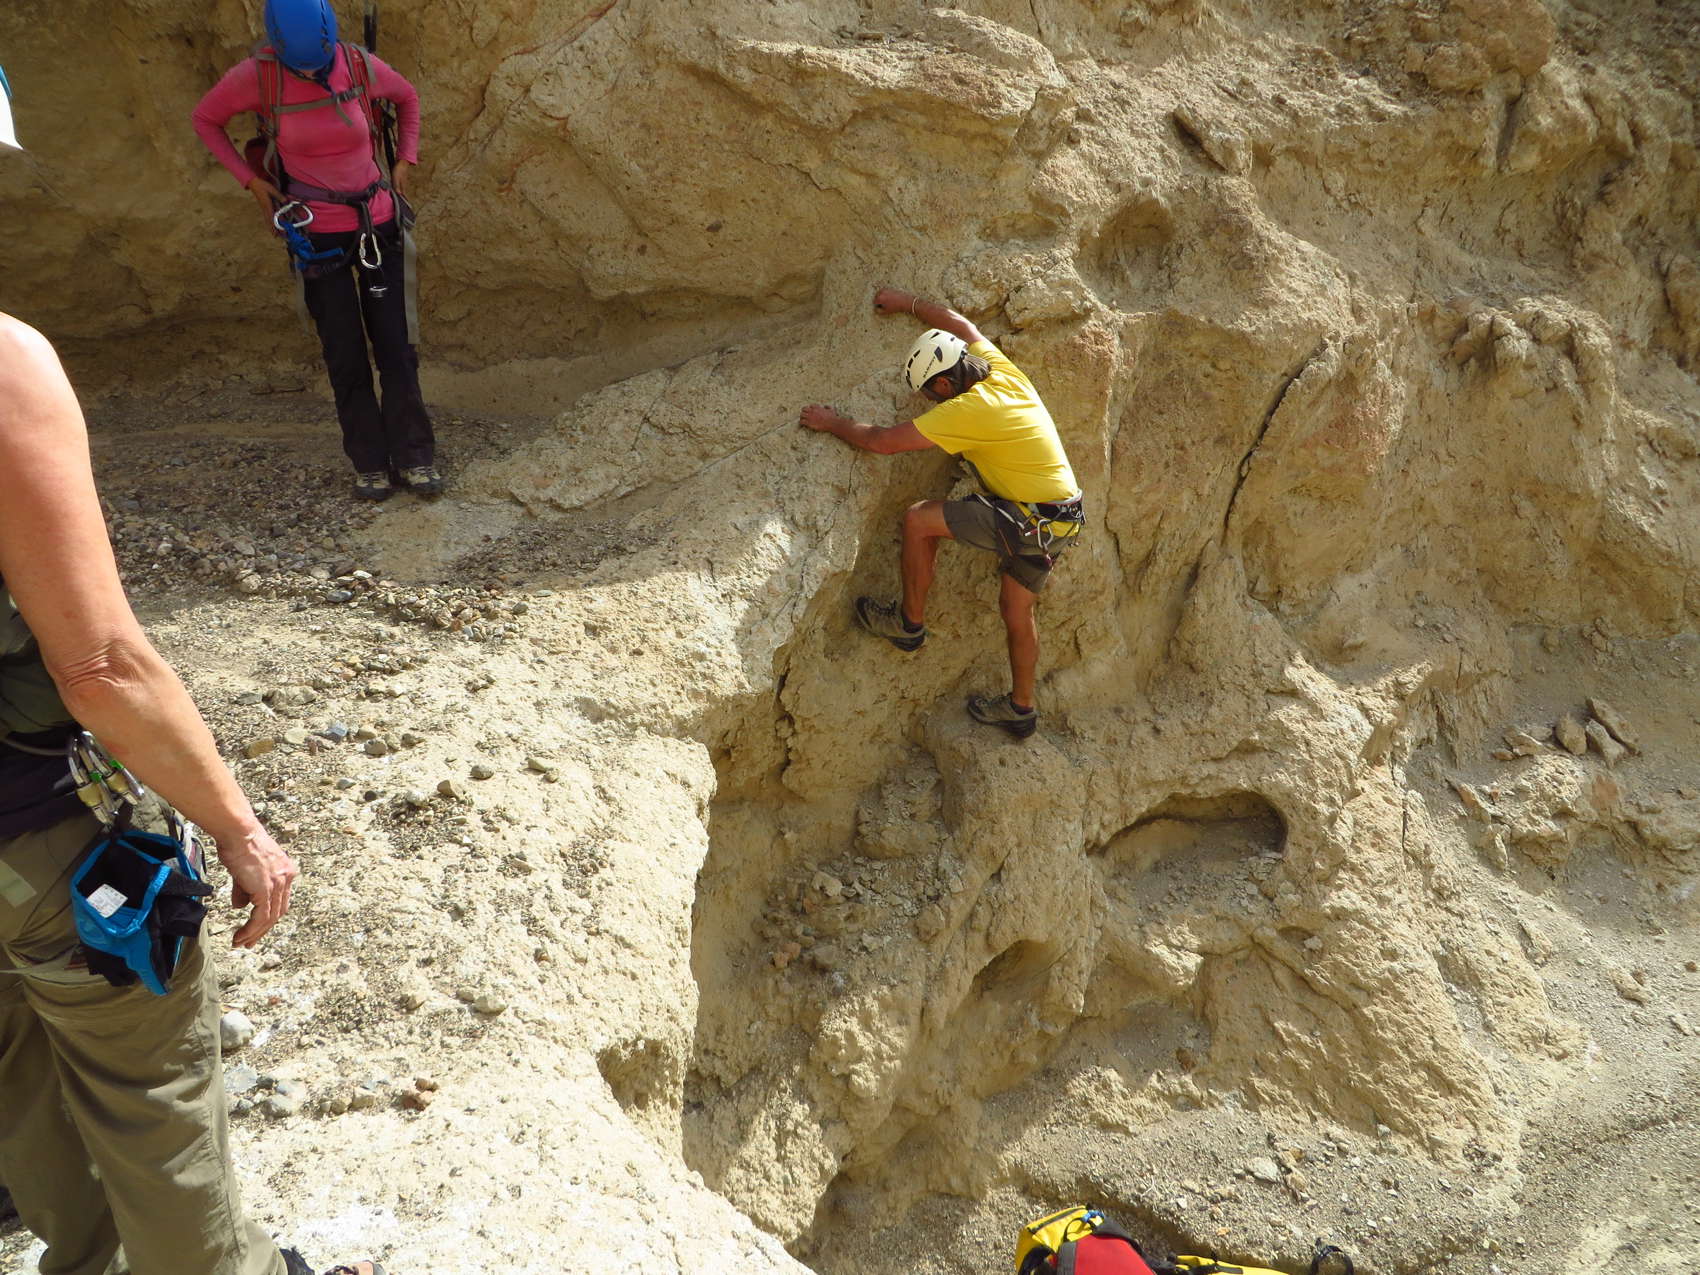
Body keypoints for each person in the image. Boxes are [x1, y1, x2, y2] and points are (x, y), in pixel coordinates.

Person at [0, 71, 381, 1275]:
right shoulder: (3, 367)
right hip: (31, 828)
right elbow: (101, 663)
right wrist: (239, 827)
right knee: (150, 1095)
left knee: (22, 1084)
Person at [800, 286, 1085, 739]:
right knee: (1016, 609)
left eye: (930, 394)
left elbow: (883, 442)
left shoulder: (970, 409)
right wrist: (908, 304)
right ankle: (1021, 710)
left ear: (945, 385)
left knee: (919, 519)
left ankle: (908, 625)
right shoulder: (1001, 373)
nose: (931, 402)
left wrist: (831, 422)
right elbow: (962, 326)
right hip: (1060, 519)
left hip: (1027, 521)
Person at [192, 0, 440, 502]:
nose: (310, 73)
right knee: (344, 353)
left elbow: (407, 97)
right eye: (300, 67)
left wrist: (405, 160)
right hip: (315, 236)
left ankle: (415, 456)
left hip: (377, 224)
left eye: (317, 63)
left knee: (396, 348)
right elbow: (205, 120)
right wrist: (251, 183)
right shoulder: (258, 76)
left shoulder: (357, 64)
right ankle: (369, 463)